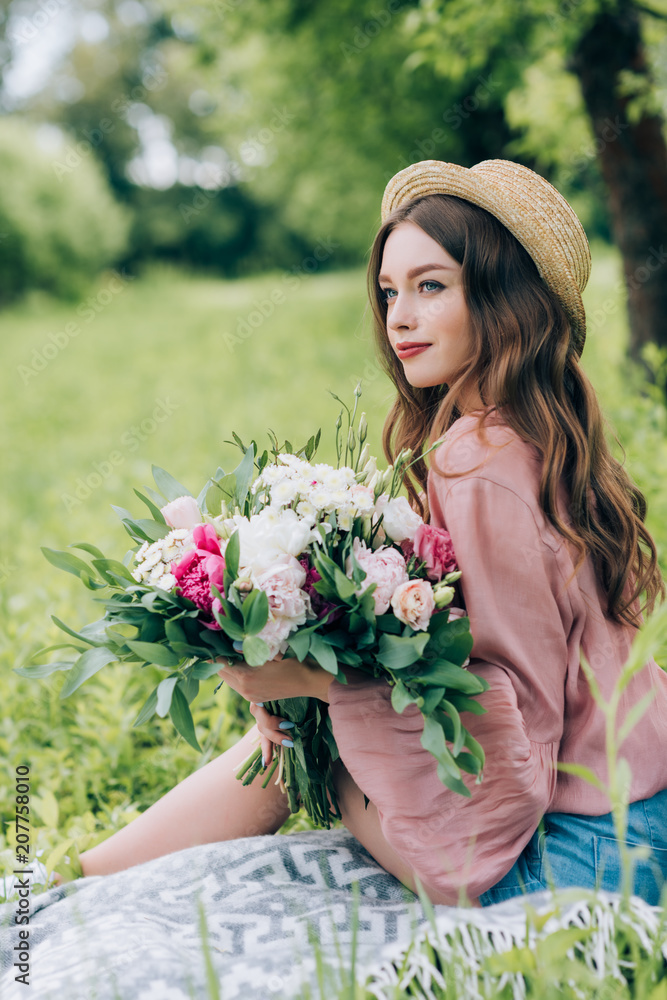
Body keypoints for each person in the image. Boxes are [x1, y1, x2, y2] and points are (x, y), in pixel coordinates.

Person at [79, 159, 667, 908]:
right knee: (303, 727)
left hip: (574, 865)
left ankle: (75, 888)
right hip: (637, 820)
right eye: (390, 292)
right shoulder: (524, 440)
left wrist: (319, 685)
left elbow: (516, 728)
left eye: (430, 286)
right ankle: (83, 879)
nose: (398, 317)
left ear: (503, 301)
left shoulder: (477, 464)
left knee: (301, 737)